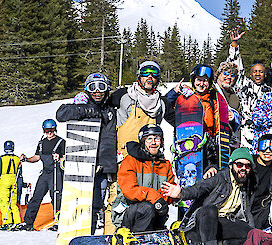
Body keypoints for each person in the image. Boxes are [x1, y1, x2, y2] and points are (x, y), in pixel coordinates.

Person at [160, 147, 256, 245]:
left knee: (250, 234)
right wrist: (181, 193)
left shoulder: (246, 185)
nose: (243, 168)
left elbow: (247, 213)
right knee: (211, 210)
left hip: (223, 223)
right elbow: (199, 188)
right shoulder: (219, 177)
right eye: (239, 165)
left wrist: (255, 235)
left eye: (247, 166)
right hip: (204, 223)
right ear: (230, 165)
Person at [56, 72, 120, 232]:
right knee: (83, 204)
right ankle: (79, 236)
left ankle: (92, 239)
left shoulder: (111, 110)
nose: (97, 91)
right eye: (93, 87)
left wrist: (111, 167)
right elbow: (61, 114)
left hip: (103, 167)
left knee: (98, 205)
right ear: (87, 89)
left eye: (102, 87)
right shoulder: (80, 106)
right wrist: (87, 110)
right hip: (82, 166)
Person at [165, 64, 232, 172]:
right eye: (198, 80)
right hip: (186, 144)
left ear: (209, 82)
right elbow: (165, 108)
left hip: (208, 148)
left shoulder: (214, 101)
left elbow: (220, 124)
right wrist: (173, 93)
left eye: (205, 81)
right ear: (193, 81)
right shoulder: (184, 98)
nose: (201, 84)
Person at [113, 124, 174, 232]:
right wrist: (154, 197)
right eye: (149, 139)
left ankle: (154, 239)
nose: (153, 142)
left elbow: (169, 190)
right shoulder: (131, 160)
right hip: (128, 211)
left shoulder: (165, 164)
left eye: (157, 138)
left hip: (156, 211)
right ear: (143, 142)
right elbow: (129, 190)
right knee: (146, 208)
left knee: (157, 208)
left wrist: (166, 198)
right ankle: (137, 243)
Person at [225, 31, 272, 148]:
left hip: (262, 135)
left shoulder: (270, 92)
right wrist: (234, 44)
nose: (258, 74)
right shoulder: (243, 85)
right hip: (241, 135)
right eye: (255, 71)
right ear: (250, 74)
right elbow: (236, 67)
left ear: (265, 75)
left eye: (261, 72)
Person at [20, 119, 67, 230]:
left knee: (56, 197)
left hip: (56, 173)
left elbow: (67, 158)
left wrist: (60, 158)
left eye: (51, 130)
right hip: (45, 173)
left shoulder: (61, 142)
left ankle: (59, 223)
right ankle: (28, 223)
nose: (49, 133)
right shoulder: (42, 143)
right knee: (36, 197)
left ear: (55, 129)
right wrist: (26, 159)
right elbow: (37, 157)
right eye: (47, 131)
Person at [249, 134, 272, 230]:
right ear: (258, 148)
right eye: (263, 146)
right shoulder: (248, 162)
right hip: (245, 204)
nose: (268, 151)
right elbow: (230, 168)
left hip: (263, 209)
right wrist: (212, 168)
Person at [0, 141, 24, 227]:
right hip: (14, 180)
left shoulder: (1, 158)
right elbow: (20, 173)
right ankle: (17, 221)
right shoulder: (17, 158)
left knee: (4, 201)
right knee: (13, 202)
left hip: (5, 179)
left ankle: (7, 222)